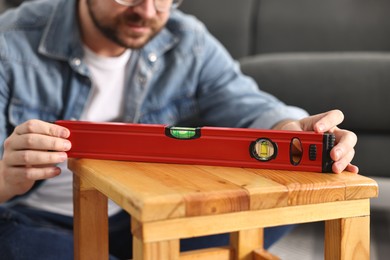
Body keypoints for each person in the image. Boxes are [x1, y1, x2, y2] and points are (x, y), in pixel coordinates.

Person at [0, 0, 358, 259]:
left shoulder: (188, 40)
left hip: (146, 212)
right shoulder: (11, 40)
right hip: (35, 218)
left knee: (278, 207)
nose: (148, 11)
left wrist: (294, 129)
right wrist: (3, 179)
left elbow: (249, 103)